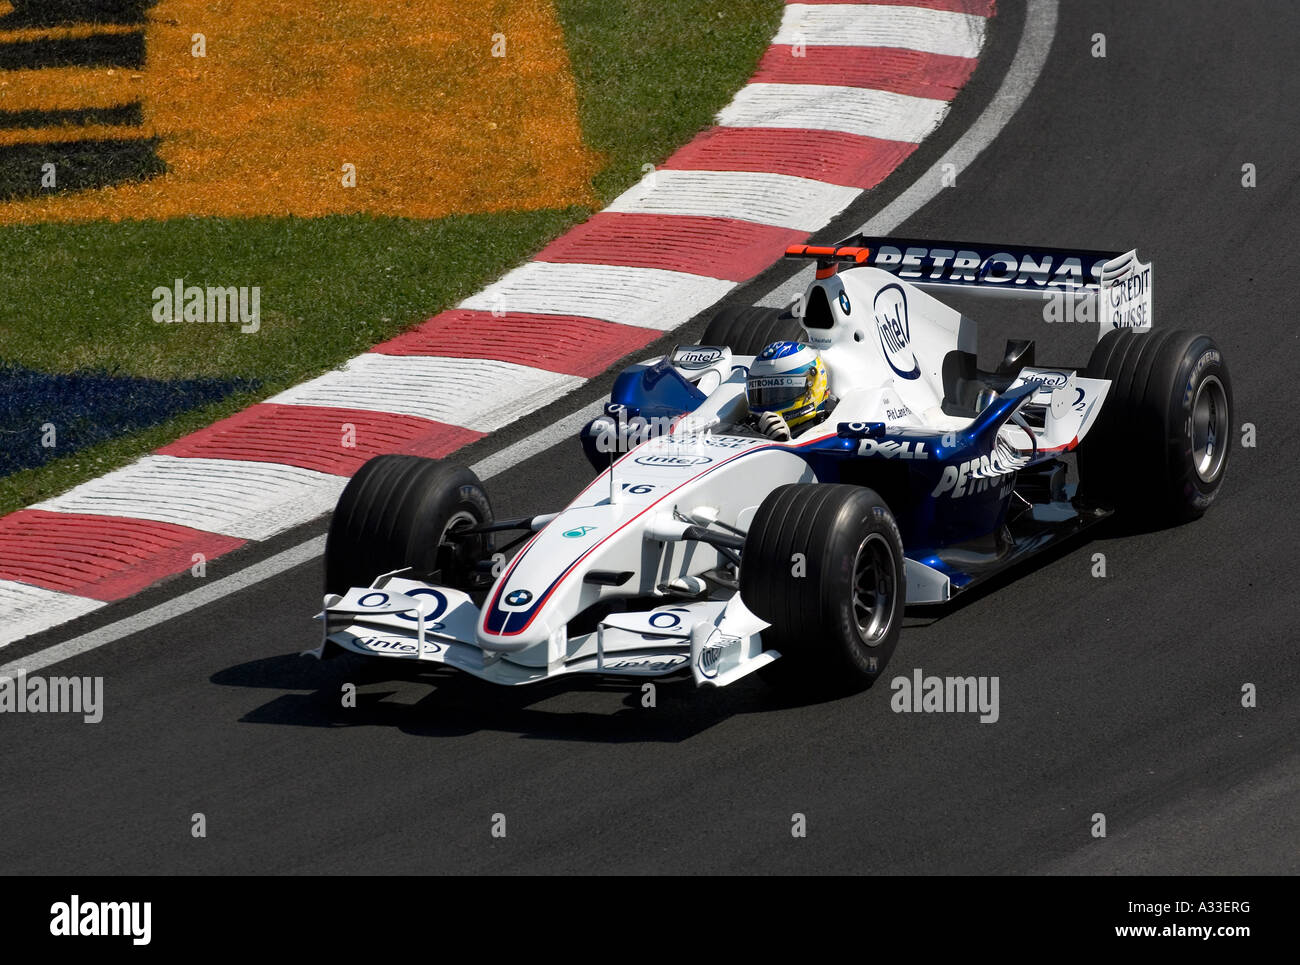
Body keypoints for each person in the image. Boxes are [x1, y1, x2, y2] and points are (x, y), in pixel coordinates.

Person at [745, 340, 836, 441]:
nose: (768, 404)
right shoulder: (748, 425)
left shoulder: (836, 426)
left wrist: (786, 442)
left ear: (811, 387)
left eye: (780, 394)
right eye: (763, 394)